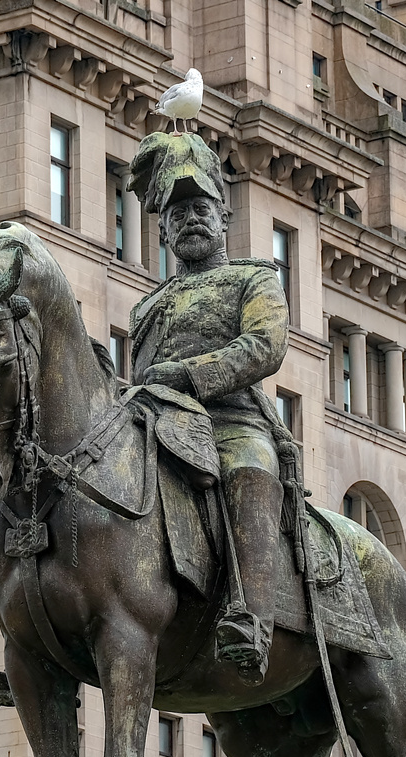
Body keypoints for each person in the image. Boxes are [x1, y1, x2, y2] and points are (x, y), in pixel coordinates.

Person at [126, 132, 289, 684]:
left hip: (230, 422)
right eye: (177, 214)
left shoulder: (254, 278)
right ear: (165, 230)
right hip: (155, 425)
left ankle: (252, 621)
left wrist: (193, 377)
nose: (190, 220)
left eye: (201, 209)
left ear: (223, 220)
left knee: (247, 470)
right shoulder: (148, 305)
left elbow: (265, 346)